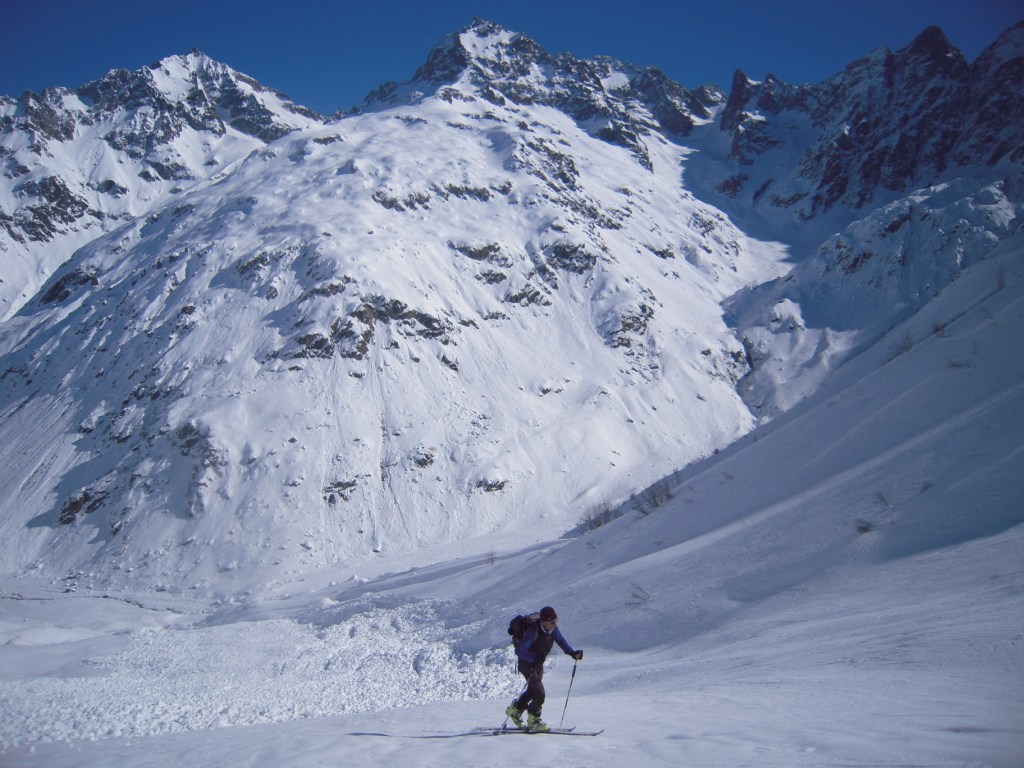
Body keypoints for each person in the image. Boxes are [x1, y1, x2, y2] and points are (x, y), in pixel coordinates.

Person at [505, 605, 583, 732]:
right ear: (544, 621)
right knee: (540, 694)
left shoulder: (552, 630)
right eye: (552, 622)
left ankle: (516, 711)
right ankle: (534, 720)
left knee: (533, 690)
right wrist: (533, 658)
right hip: (527, 664)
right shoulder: (533, 630)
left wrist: (572, 653)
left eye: (556, 621)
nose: (554, 624)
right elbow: (519, 650)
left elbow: (561, 641)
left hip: (538, 664)